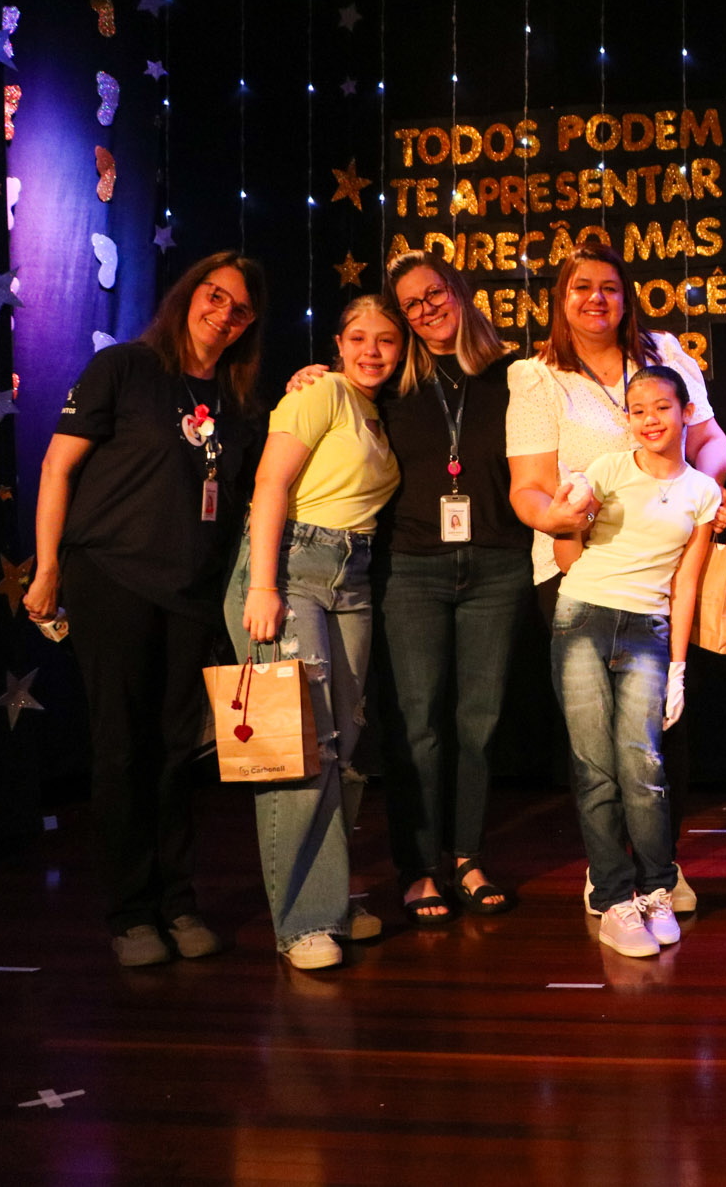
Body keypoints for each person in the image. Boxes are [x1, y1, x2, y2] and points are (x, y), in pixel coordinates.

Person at [24, 253, 269, 967]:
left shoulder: (240, 402)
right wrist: (47, 567)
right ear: (189, 294)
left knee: (177, 751)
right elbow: (57, 466)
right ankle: (131, 913)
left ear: (249, 325)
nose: (222, 313)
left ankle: (178, 902)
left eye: (240, 309)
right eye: (214, 295)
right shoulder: (125, 369)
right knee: (122, 746)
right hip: (112, 577)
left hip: (191, 593)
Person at [507, 243, 726, 915]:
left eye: (608, 286)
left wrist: (692, 499)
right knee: (597, 744)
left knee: (660, 737)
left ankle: (661, 865)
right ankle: (609, 871)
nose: (595, 298)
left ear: (626, 296)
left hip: (664, 570)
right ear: (561, 298)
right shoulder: (539, 377)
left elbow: (710, 441)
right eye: (580, 287)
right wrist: (564, 526)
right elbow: (529, 488)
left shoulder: (666, 354)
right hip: (578, 572)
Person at [225, 294, 406, 970]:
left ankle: (326, 898)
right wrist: (263, 586)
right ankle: (304, 923)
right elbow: (270, 483)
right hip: (290, 567)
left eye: (386, 339)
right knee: (298, 749)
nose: (371, 351)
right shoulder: (322, 391)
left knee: (344, 748)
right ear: (337, 343)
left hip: (349, 578)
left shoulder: (375, 412)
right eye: (358, 337)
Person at [375, 252, 529, 924]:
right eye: (411, 304)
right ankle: (418, 868)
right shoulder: (390, 380)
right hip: (412, 568)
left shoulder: (515, 374)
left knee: (480, 724)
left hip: (497, 565)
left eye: (434, 293)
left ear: (458, 291)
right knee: (418, 726)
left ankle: (467, 856)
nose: (426, 309)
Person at [551, 366, 721, 959]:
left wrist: (678, 666)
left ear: (685, 412)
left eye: (662, 407)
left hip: (649, 630)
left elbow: (686, 585)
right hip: (583, 617)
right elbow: (565, 553)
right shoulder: (607, 469)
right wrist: (568, 510)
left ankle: (656, 890)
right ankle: (613, 898)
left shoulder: (703, 491)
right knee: (595, 768)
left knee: (643, 766)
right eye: (638, 409)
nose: (650, 419)